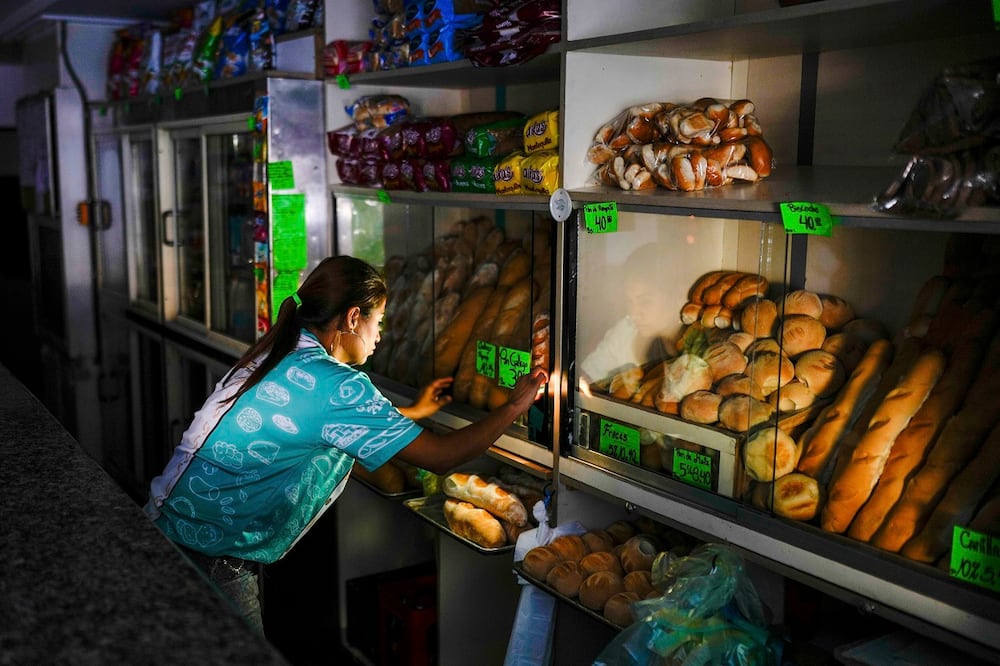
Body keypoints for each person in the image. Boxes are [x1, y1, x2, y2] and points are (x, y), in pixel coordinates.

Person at [143, 255, 548, 633]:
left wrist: (416, 412)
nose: (380, 337)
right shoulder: (339, 385)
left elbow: (315, 423)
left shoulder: (277, 352)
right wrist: (515, 406)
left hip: (163, 530)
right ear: (354, 318)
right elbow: (443, 458)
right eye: (380, 322)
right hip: (213, 563)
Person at [579, 243, 676, 383]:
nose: (633, 313)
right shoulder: (625, 331)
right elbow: (588, 376)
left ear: (674, 297)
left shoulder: (692, 341)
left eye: (645, 301)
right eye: (629, 301)